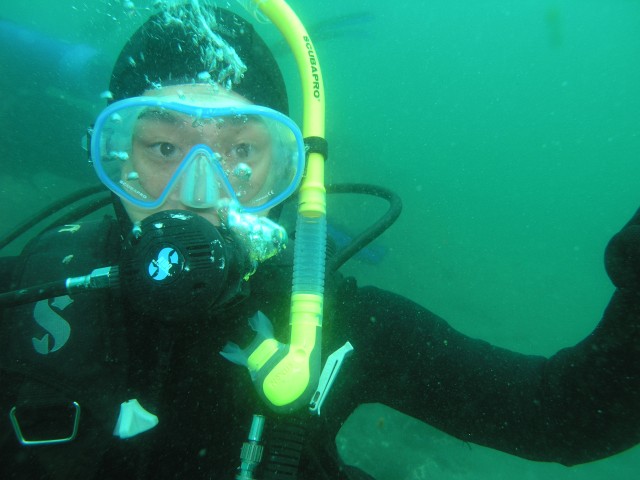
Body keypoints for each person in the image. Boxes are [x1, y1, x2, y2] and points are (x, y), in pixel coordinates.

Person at [1, 3, 639, 479]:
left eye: (241, 153)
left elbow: (566, 416)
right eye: (164, 148)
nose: (197, 194)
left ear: (288, 172)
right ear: (114, 159)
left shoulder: (330, 325)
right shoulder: (21, 300)